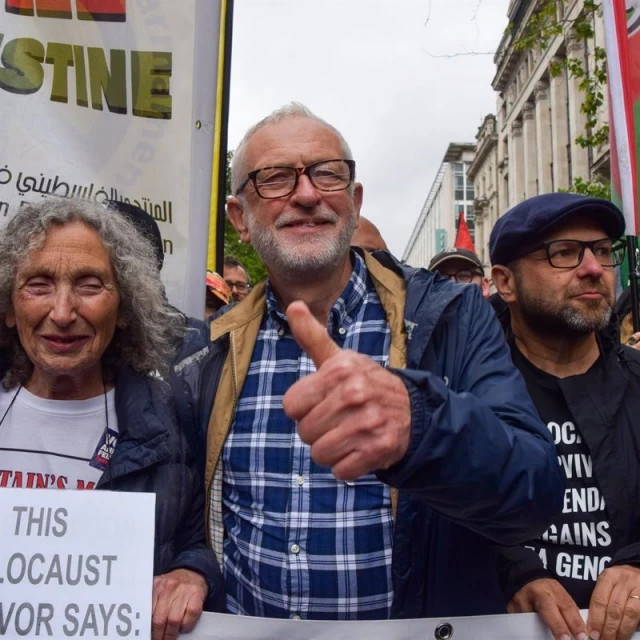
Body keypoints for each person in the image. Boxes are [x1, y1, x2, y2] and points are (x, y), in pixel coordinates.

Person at [171, 103, 563, 620]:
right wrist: (191, 565)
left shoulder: (452, 316)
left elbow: (535, 495)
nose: (307, 194)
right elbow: (187, 516)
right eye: (275, 179)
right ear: (240, 218)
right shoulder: (205, 352)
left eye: (327, 174)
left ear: (354, 201)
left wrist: (421, 428)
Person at [0, 197, 223, 639]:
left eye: (89, 285)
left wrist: (192, 575)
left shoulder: (170, 424)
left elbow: (198, 543)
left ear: (124, 309)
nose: (62, 313)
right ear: (8, 307)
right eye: (39, 284)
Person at [489, 192, 640, 640]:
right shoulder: (468, 396)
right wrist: (514, 571)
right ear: (505, 282)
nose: (593, 268)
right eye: (564, 253)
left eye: (601, 251)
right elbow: (440, 519)